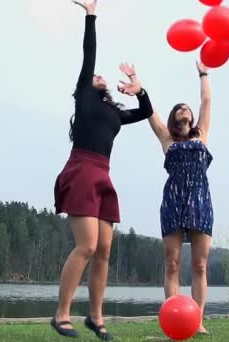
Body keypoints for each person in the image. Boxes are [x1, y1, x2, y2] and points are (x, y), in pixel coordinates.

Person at [51, 0, 155, 340]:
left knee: (105, 251)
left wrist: (139, 88)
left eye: (101, 76)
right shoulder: (84, 97)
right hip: (81, 169)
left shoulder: (114, 110)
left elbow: (145, 111)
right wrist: (91, 15)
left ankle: (96, 317)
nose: (98, 74)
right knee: (87, 247)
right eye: (94, 75)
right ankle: (61, 314)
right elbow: (88, 54)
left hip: (104, 176)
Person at [140, 60, 213, 335]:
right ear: (174, 119)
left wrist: (203, 72)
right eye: (179, 110)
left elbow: (206, 100)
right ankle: (174, 318)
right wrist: (139, 89)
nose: (185, 112)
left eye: (188, 111)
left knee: (200, 265)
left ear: (192, 118)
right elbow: (151, 114)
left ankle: (197, 320)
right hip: (173, 202)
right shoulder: (167, 140)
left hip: (200, 202)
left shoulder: (202, 135)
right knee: (172, 264)